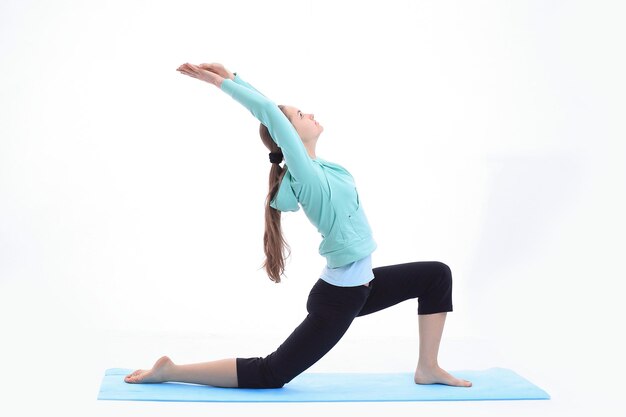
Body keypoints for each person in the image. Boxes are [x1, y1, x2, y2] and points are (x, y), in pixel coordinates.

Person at [124, 62, 472, 389]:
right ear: (287, 135)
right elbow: (270, 114)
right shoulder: (304, 175)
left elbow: (273, 113)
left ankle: (428, 367)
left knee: (436, 275)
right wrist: (221, 84)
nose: (310, 113)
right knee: (272, 372)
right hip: (340, 297)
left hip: (363, 286)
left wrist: (234, 75)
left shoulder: (324, 169)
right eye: (300, 115)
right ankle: (171, 370)